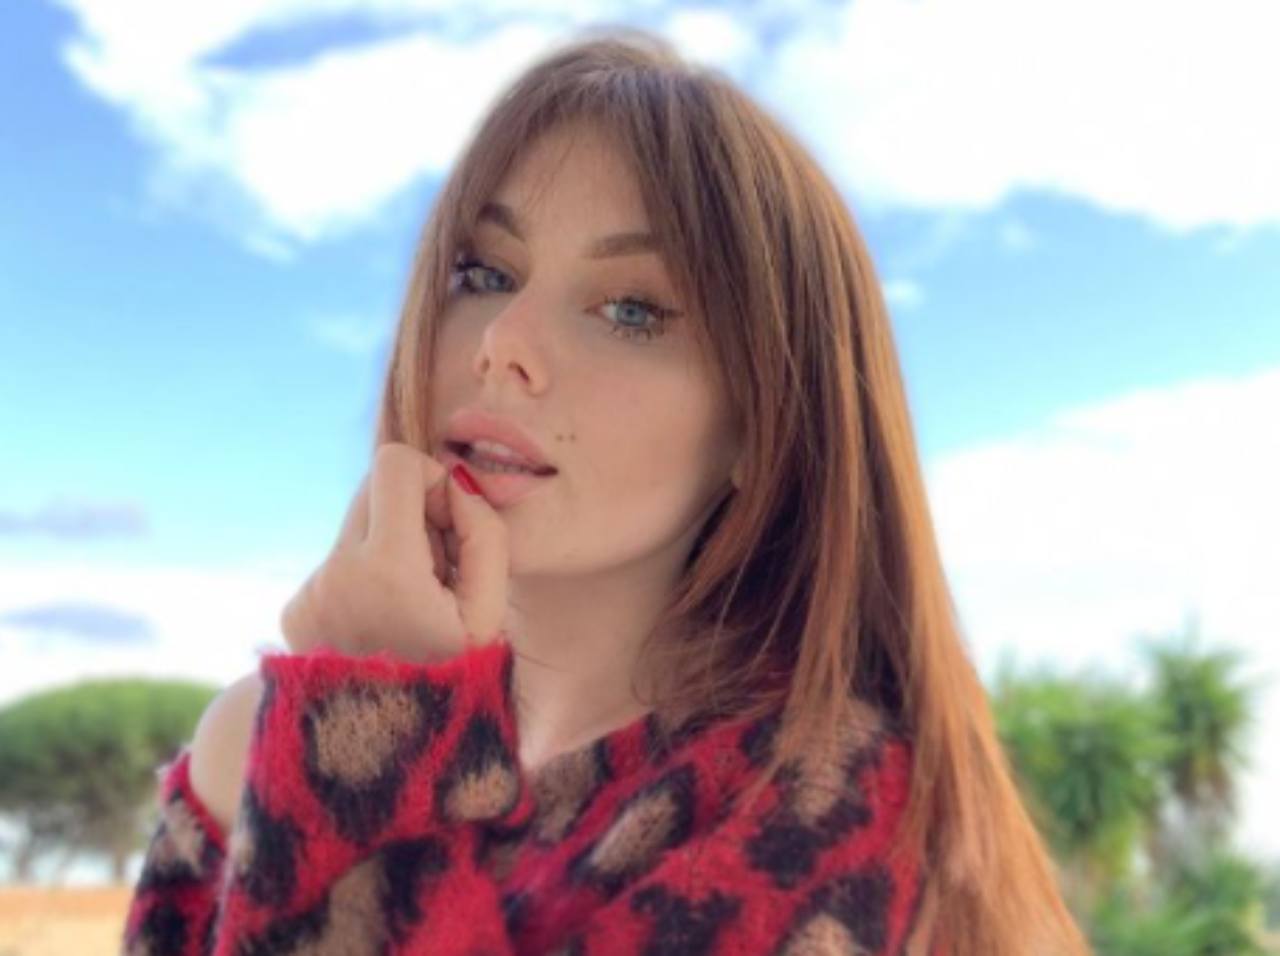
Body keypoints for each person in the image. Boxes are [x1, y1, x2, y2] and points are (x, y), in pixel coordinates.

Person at [121, 29, 1088, 956]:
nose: (503, 343)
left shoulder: (827, 806)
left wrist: (360, 750)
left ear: (763, 428)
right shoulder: (248, 747)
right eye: (483, 272)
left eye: (631, 309)